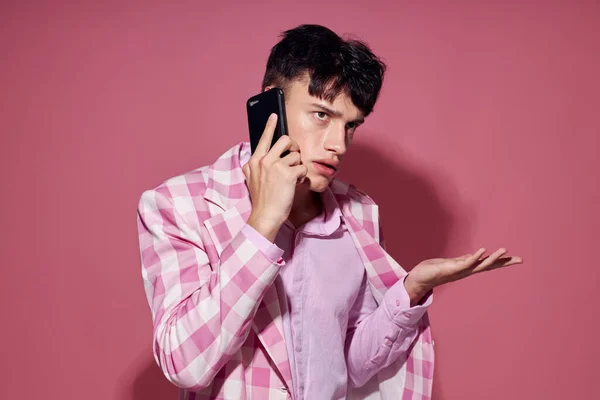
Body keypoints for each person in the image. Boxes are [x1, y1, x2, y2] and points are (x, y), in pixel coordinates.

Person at [136, 24, 523, 400]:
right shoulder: (178, 204)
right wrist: (262, 225)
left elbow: (348, 366)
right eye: (322, 115)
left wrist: (410, 290)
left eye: (351, 125)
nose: (338, 143)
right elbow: (184, 364)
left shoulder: (358, 217)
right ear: (271, 104)